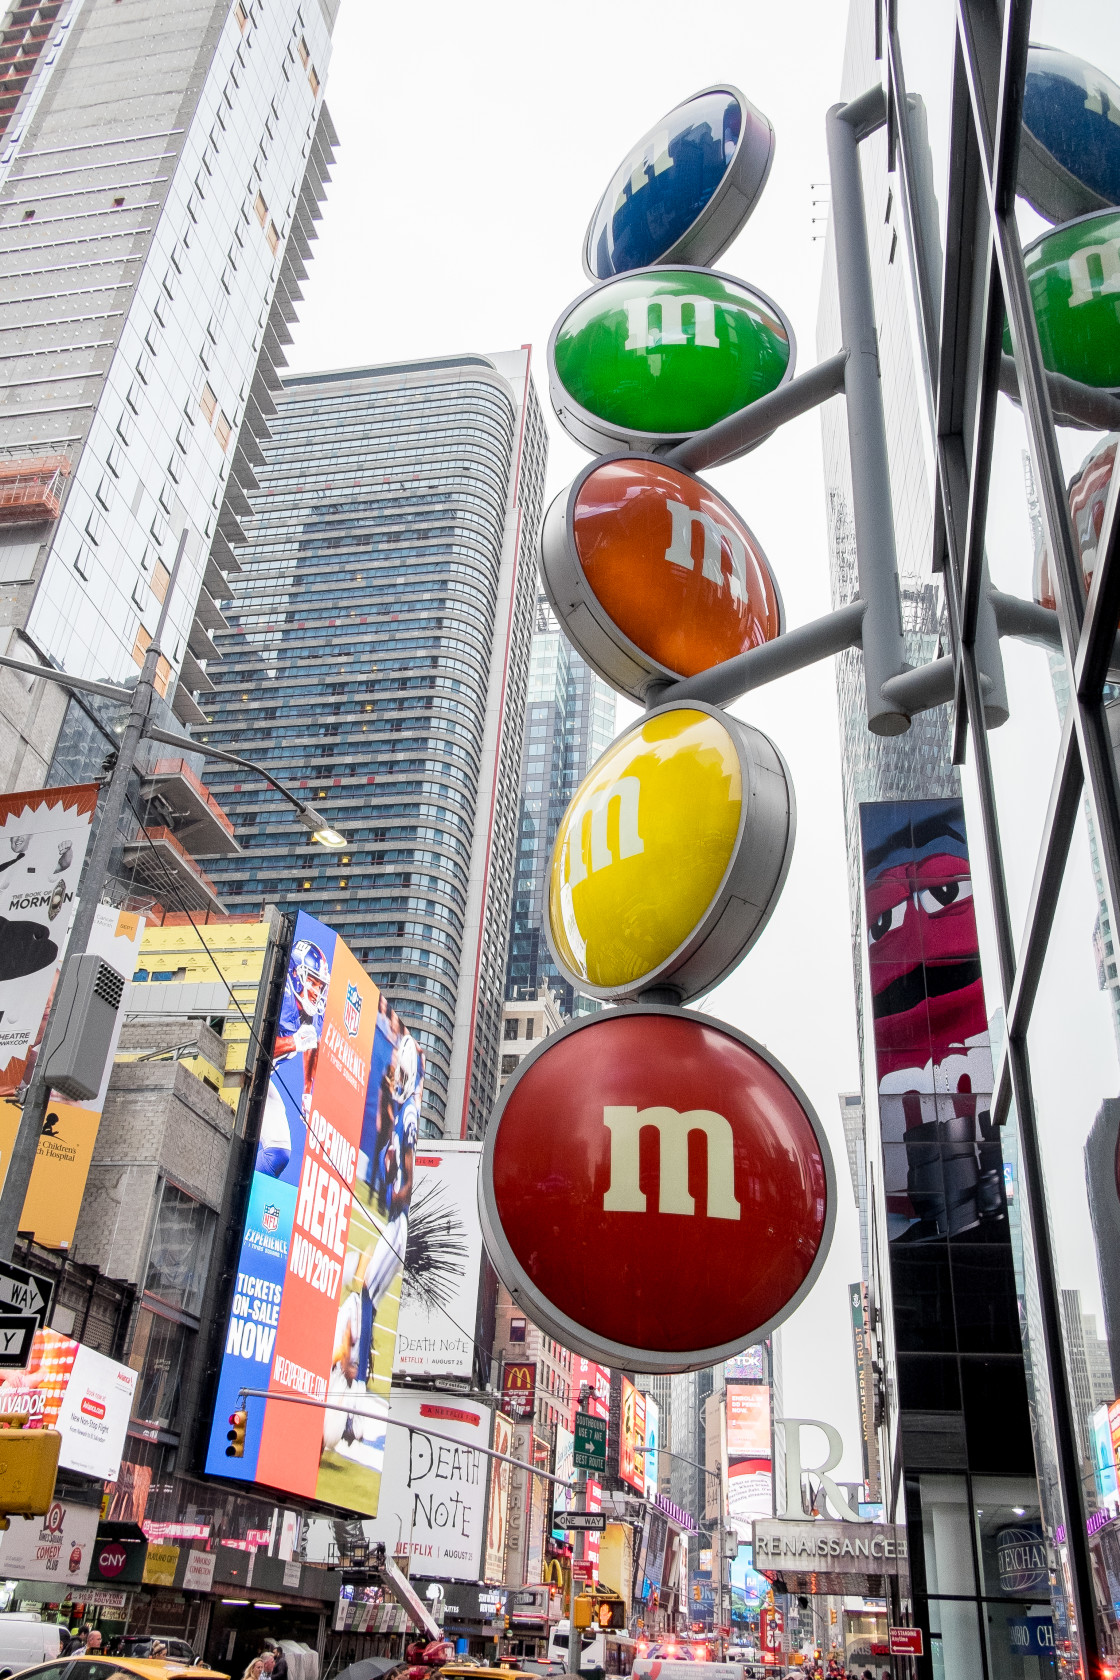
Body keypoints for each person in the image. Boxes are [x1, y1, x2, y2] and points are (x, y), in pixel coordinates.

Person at [257, 939, 329, 1177]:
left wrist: (308, 1092)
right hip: (241, 1071)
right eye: (312, 981)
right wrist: (294, 1042)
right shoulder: (282, 995)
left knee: (279, 1154)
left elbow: (312, 1043)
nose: (317, 991)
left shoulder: (311, 1011)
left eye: (320, 985)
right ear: (296, 975)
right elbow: (255, 1047)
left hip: (261, 1078)